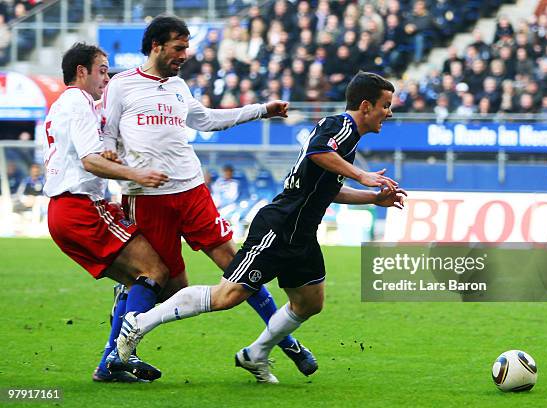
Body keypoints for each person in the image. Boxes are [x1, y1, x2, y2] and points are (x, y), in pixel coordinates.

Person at [115, 72, 407, 383]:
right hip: (279, 227)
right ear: (366, 105)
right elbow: (318, 152)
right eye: (386, 105)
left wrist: (373, 199)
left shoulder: (347, 139)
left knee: (310, 302)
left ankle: (255, 354)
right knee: (227, 296)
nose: (389, 113)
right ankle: (141, 322)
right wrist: (363, 176)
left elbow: (327, 188)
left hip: (301, 234)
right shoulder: (341, 127)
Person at [101, 15, 317, 376]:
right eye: (178, 47)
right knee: (160, 282)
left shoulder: (179, 87)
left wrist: (261, 110)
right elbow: (106, 134)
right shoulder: (121, 86)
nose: (185, 54)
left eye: (187, 47)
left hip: (191, 189)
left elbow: (208, 120)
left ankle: (283, 340)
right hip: (147, 197)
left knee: (237, 264)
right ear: (156, 45)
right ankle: (117, 352)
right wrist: (110, 154)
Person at [43, 42, 172, 382]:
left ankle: (108, 364)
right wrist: (136, 174)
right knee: (156, 271)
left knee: (136, 279)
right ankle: (117, 354)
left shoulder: (64, 104)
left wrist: (111, 157)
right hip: (80, 206)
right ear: (81, 72)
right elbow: (88, 160)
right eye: (102, 70)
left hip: (63, 210)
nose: (106, 77)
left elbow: (82, 154)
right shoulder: (78, 101)